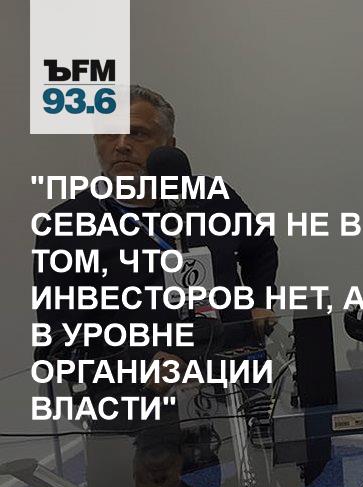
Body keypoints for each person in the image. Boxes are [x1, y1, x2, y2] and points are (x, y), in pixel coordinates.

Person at [34, 84, 279, 393]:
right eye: (109, 134)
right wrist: (139, 363)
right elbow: (59, 342)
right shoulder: (64, 225)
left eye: (137, 134)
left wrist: (260, 301)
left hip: (235, 380)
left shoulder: (212, 197)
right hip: (137, 400)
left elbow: (261, 249)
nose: (121, 145)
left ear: (169, 145)